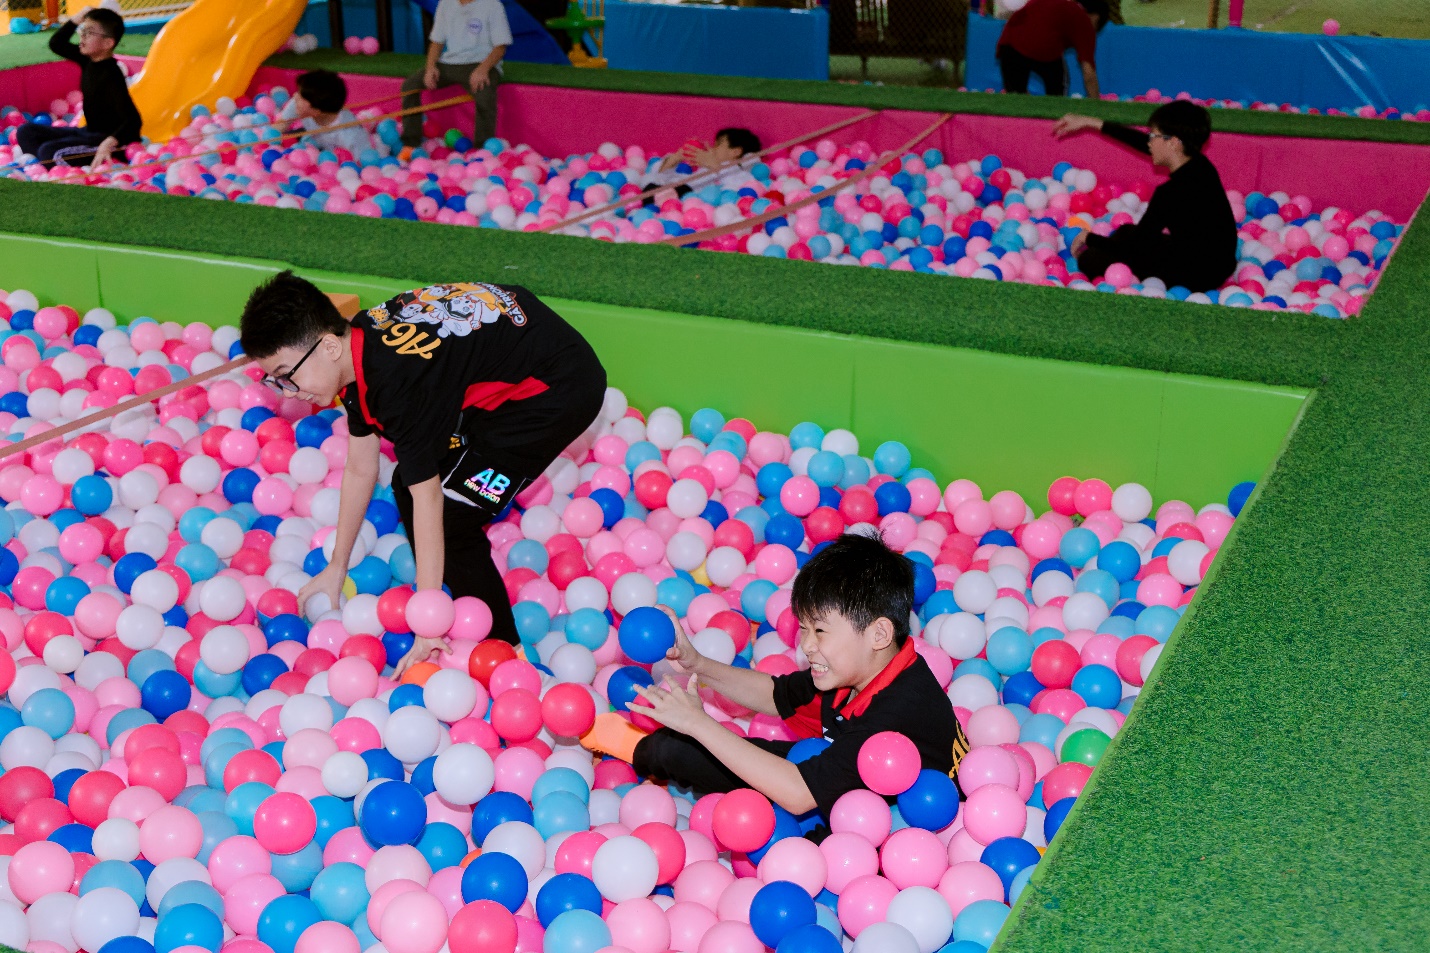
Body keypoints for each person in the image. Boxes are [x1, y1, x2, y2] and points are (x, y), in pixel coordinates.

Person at [239, 273, 607, 665]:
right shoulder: (354, 348)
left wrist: (428, 625)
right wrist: (336, 566)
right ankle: (457, 590)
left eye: (287, 375)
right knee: (407, 482)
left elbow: (429, 498)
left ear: (328, 345)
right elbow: (362, 467)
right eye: (276, 381)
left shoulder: (397, 387)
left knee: (451, 517)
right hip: (514, 353)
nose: (290, 391)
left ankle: (503, 651)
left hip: (559, 388)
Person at [581, 533, 968, 831]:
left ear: (879, 634)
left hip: (891, 831)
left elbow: (799, 795)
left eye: (820, 631)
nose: (807, 645)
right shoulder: (858, 670)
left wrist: (699, 723)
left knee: (790, 835)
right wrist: (696, 664)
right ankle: (640, 747)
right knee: (682, 749)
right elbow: (776, 694)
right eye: (804, 629)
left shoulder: (897, 711)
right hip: (836, 778)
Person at [1053, 101, 1238, 292]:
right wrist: (1090, 122)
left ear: (1173, 142)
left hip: (1197, 276)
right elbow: (1142, 142)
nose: (1148, 142)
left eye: (1153, 136)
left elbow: (1135, 249)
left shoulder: (1170, 193)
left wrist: (1089, 238)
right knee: (1126, 232)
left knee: (1091, 259)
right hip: (1218, 263)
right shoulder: (1201, 165)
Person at [15, 6, 140, 167]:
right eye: (82, 30)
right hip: (87, 132)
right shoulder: (87, 60)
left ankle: (48, 168)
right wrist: (77, 19)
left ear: (107, 43)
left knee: (49, 151)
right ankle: (40, 169)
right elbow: (56, 43)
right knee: (26, 132)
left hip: (109, 143)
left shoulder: (111, 75)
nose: (82, 36)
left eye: (89, 33)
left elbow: (133, 120)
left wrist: (110, 141)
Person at [400, 0, 512, 150]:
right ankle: (410, 143)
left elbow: (500, 47)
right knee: (409, 86)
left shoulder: (492, 5)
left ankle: (481, 149)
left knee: (484, 94)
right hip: (450, 63)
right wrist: (431, 67)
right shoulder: (446, 3)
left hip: (481, 62)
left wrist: (483, 69)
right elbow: (436, 42)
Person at [996, 0, 1105, 99]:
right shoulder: (1084, 21)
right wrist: (1096, 104)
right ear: (1096, 17)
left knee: (1016, 98)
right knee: (1057, 99)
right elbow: (1088, 71)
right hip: (1039, 50)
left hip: (1009, 44)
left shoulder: (1063, 6)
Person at [643, 128, 762, 199]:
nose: (712, 148)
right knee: (651, 187)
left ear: (736, 151)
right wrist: (676, 158)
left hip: (693, 202)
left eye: (718, 144)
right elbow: (658, 176)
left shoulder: (739, 173)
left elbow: (743, 189)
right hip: (677, 197)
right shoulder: (704, 169)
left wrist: (715, 166)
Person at [278, 70, 371, 157]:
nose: (295, 96)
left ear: (316, 111)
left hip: (332, 157)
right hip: (313, 142)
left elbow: (366, 161)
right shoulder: (301, 104)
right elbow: (279, 127)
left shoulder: (351, 136)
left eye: (301, 96)